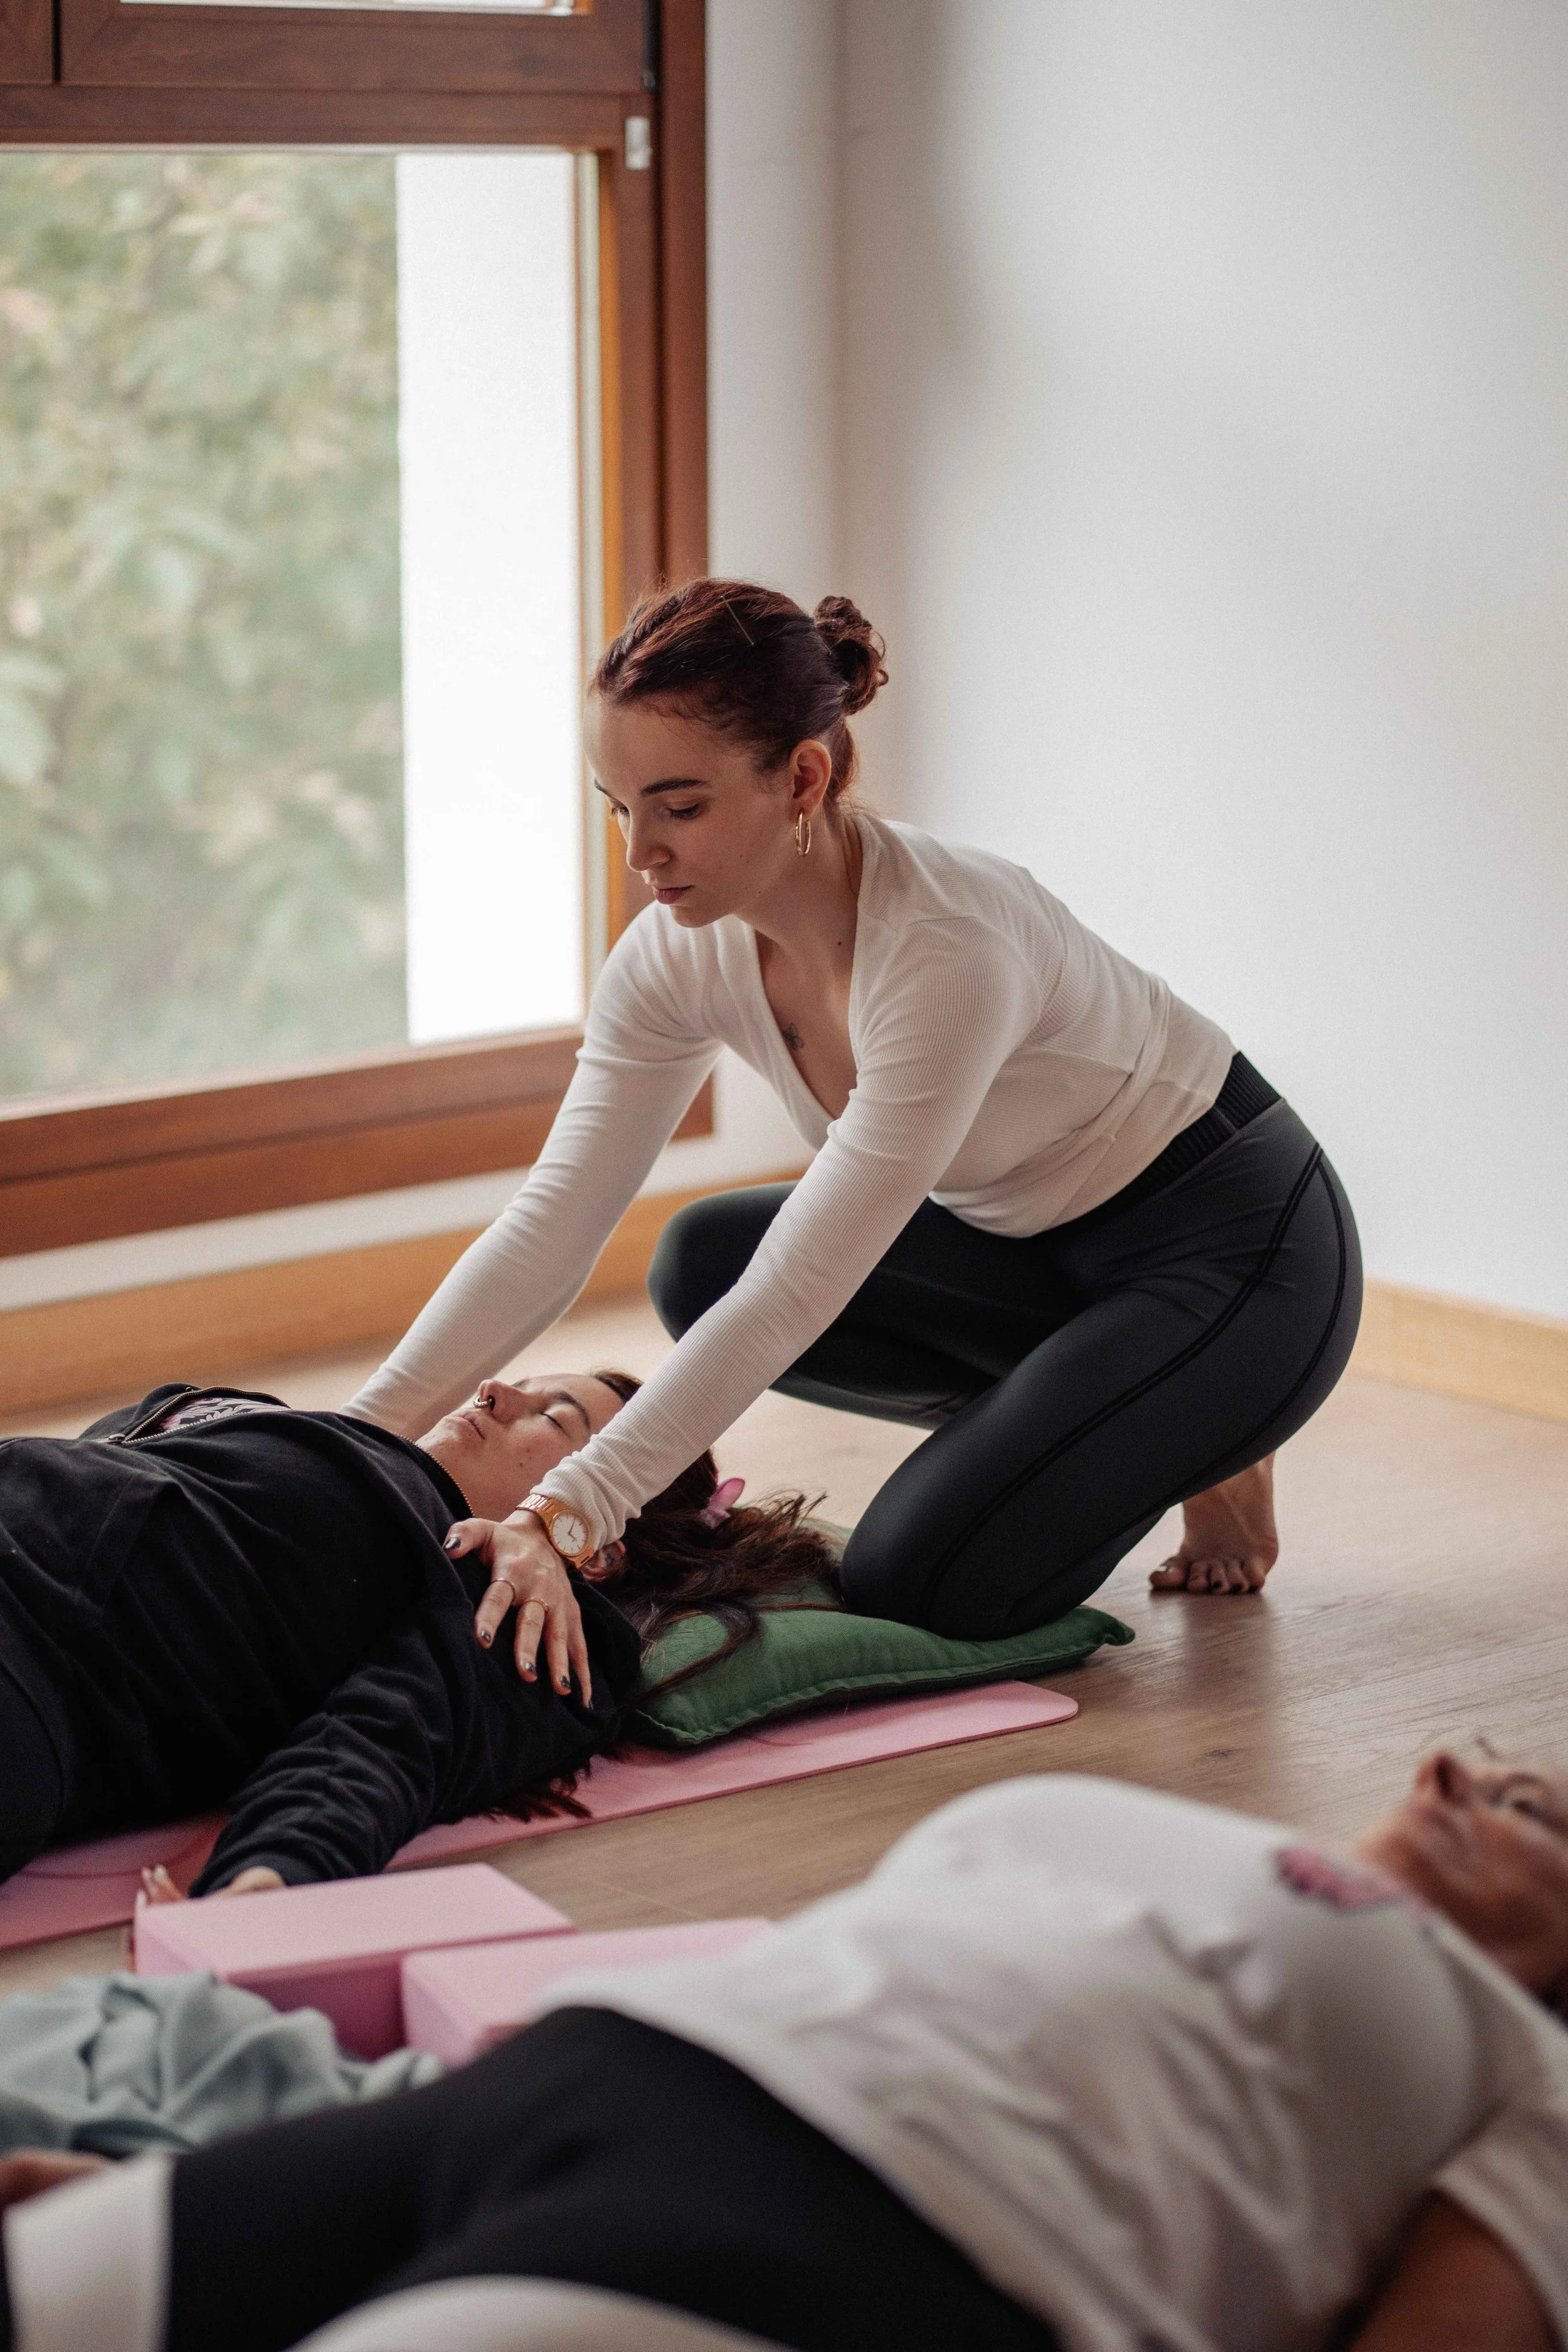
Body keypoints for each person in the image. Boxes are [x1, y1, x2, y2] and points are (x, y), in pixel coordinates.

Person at [347, 577, 1362, 1682]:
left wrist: (565, 1515)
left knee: (929, 1578)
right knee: (701, 1260)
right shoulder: (675, 954)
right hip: (1029, 1246)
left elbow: (798, 1288)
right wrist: (353, 1438)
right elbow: (556, 1218)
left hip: (1235, 1249)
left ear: (803, 778)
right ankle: (1123, 1405)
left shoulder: (949, 947)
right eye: (619, 805)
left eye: (679, 808)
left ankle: (1199, 1425)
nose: (641, 853)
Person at [3, 1749, 1565, 2352]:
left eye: (1531, 1808)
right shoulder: (1189, 1847)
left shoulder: (1520, 2073)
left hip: (864, 2239)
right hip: (558, 2095)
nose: (1454, 1769)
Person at [0, 1369, 832, 1895]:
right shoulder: (313, 1433)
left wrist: (269, 1882)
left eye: (555, 1416)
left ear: (599, 1540)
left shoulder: (527, 1599)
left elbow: (393, 1737)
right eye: (525, 1384)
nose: (496, 1391)